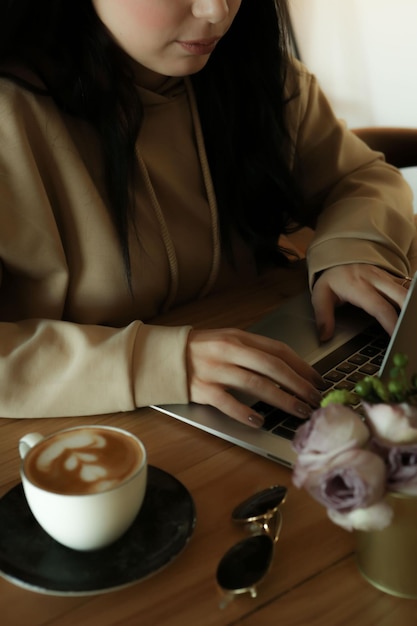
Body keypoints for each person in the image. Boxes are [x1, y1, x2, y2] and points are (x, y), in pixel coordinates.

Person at [0, 0, 415, 425]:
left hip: (259, 382)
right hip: (90, 435)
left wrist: (355, 249)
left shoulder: (254, 72)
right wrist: (162, 364)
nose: (217, 11)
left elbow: (361, 178)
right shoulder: (10, 116)